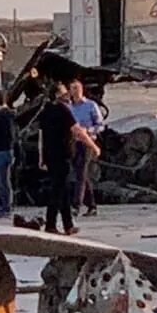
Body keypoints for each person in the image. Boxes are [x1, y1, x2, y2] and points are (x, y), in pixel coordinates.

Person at [36, 86, 78, 235]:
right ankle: (50, 224)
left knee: (63, 190)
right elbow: (76, 130)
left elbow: (41, 137)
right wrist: (93, 146)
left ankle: (68, 225)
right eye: (64, 91)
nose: (67, 94)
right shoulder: (63, 110)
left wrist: (41, 158)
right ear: (58, 95)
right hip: (62, 156)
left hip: (50, 156)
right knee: (57, 191)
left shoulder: (45, 111)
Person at [67, 80, 105, 218]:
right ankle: (92, 206)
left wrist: (87, 130)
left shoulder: (90, 105)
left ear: (82, 89)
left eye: (77, 88)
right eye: (72, 88)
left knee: (81, 174)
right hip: (73, 143)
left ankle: (76, 206)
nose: (75, 91)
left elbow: (100, 125)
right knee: (81, 174)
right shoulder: (69, 107)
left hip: (87, 143)